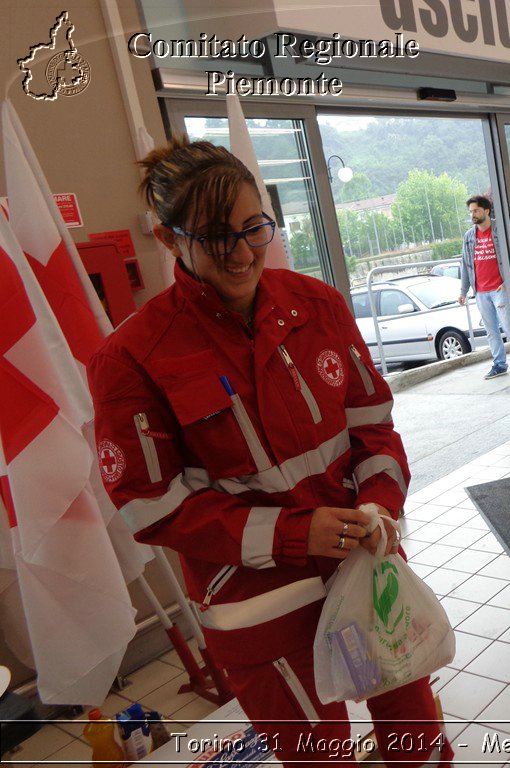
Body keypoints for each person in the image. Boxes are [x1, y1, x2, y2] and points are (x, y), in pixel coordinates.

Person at [87, 137, 452, 768]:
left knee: (417, 735)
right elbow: (150, 509)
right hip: (259, 611)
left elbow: (373, 430)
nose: (242, 253)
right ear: (169, 238)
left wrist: (380, 503)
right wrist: (293, 535)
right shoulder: (132, 358)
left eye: (254, 227)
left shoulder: (317, 306)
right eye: (215, 236)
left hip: (365, 574)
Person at [458, 195, 510, 379]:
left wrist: (507, 283)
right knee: (491, 331)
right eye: (470, 212)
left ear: (486, 210)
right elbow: (465, 265)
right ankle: (499, 364)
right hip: (481, 292)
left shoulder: (501, 229)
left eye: (475, 211)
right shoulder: (469, 236)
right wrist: (463, 291)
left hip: (500, 289)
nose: (472, 215)